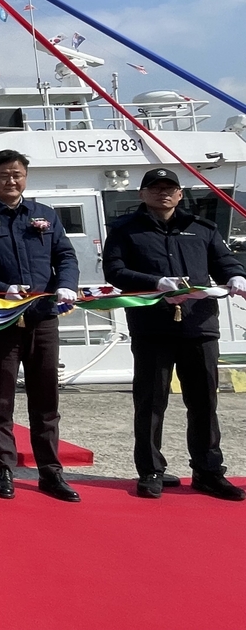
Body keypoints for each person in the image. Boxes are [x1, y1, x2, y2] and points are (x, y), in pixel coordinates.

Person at [103, 167, 246, 501]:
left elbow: (224, 262)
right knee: (151, 401)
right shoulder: (125, 230)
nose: (163, 193)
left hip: (199, 326)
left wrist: (237, 276)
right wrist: (156, 283)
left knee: (204, 401)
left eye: (170, 188)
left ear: (180, 194)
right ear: (142, 194)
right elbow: (116, 270)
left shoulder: (202, 229)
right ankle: (151, 470)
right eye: (155, 188)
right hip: (153, 325)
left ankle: (208, 471)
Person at [0, 150, 81, 502]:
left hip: (42, 318)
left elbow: (65, 256)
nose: (11, 180)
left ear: (25, 176)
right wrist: (1, 288)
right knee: (1, 398)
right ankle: (3, 470)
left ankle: (50, 472)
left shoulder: (45, 215)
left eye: (17, 174)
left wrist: (67, 283)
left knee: (46, 398)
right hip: (2, 321)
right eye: (3, 175)